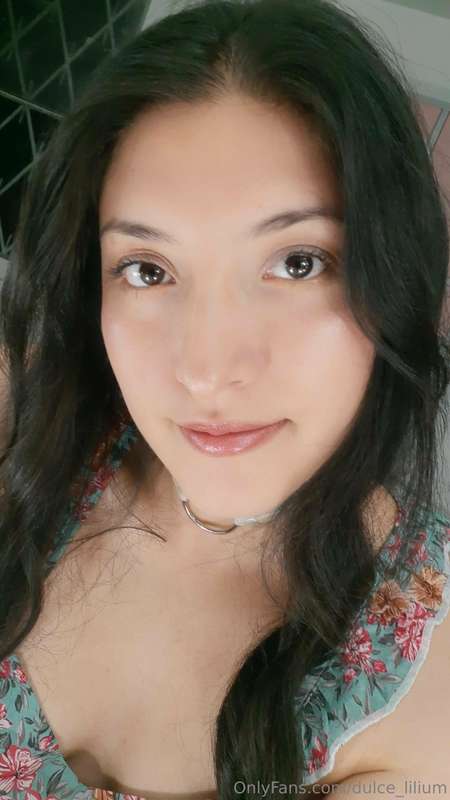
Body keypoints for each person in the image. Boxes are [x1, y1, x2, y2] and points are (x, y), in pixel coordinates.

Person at [0, 0, 449, 798]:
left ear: (393, 272)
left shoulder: (424, 685)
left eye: (298, 263)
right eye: (147, 270)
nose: (207, 372)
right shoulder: (29, 416)